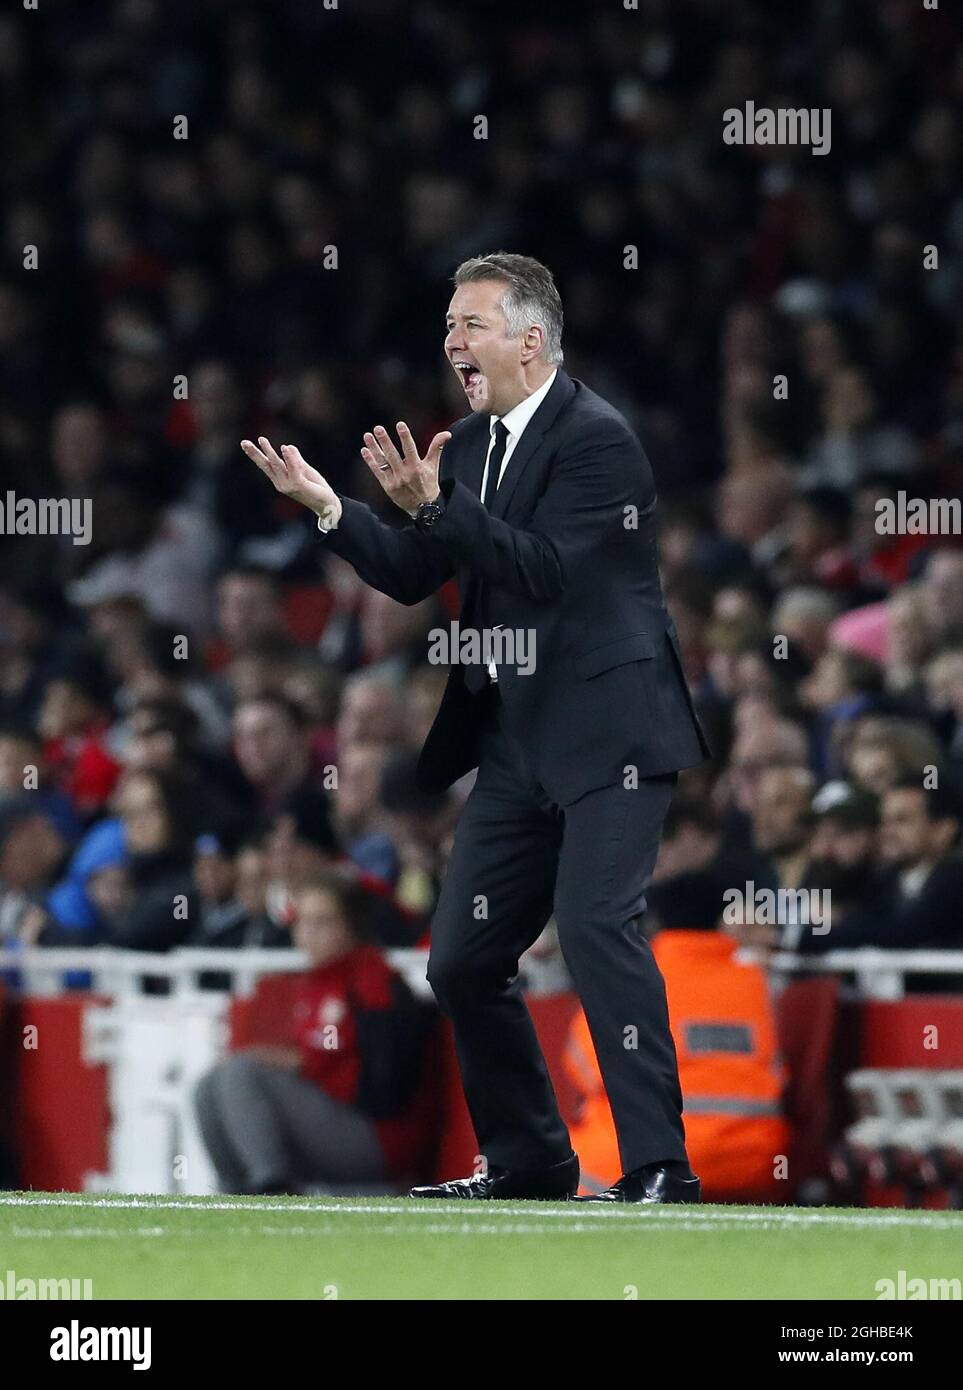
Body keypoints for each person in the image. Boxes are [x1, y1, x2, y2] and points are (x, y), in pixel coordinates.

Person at [242, 252, 710, 1203]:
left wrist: (436, 507)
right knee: (460, 960)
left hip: (609, 738)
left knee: (592, 928)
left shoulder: (599, 441)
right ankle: (530, 1159)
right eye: (449, 326)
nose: (453, 342)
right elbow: (419, 572)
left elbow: (543, 571)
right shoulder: (468, 446)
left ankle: (661, 1166)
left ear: (531, 341)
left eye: (473, 325)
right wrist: (331, 508)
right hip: (515, 739)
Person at [193, 872, 438, 1194]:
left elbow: (387, 1088)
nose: (307, 933)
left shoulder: (374, 984)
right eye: (302, 922)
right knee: (210, 1083)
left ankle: (272, 1188)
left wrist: (303, 1066)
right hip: (333, 1122)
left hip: (377, 1137)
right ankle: (235, 1190)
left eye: (322, 922)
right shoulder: (317, 981)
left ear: (352, 925)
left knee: (242, 1072)